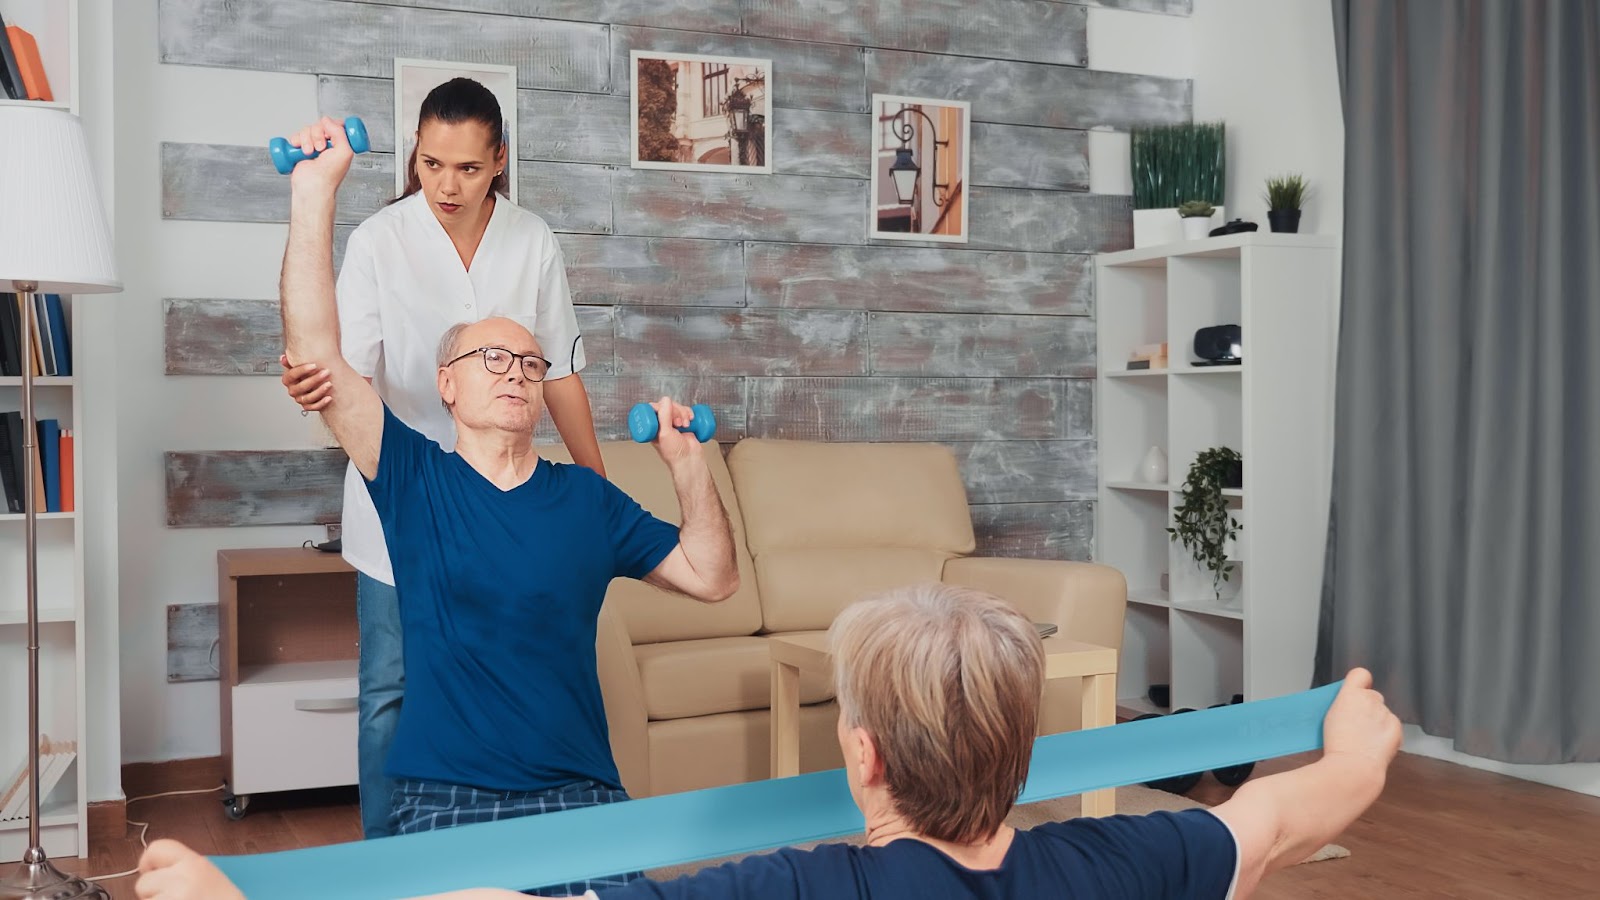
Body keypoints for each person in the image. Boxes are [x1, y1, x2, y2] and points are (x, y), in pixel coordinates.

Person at [135, 584, 1402, 900]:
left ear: (859, 757)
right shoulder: (1128, 866)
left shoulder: (797, 884)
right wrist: (1353, 730)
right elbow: (1294, 812)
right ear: (1030, 756)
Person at [275, 114, 738, 896]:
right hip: (449, 800)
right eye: (492, 358)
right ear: (445, 383)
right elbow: (319, 356)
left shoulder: (585, 503)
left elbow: (713, 577)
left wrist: (690, 468)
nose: (517, 371)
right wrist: (313, 193)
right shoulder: (415, 478)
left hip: (582, 798)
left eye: (528, 360)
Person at [279, 76, 607, 842]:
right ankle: (387, 868)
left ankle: (492, 853)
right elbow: (345, 371)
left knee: (510, 682)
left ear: (498, 159)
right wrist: (313, 381)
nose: (445, 184)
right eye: (430, 164)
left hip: (506, 496)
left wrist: (596, 488)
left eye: (465, 167)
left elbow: (557, 372)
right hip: (402, 493)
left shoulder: (532, 240)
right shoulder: (379, 240)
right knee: (390, 689)